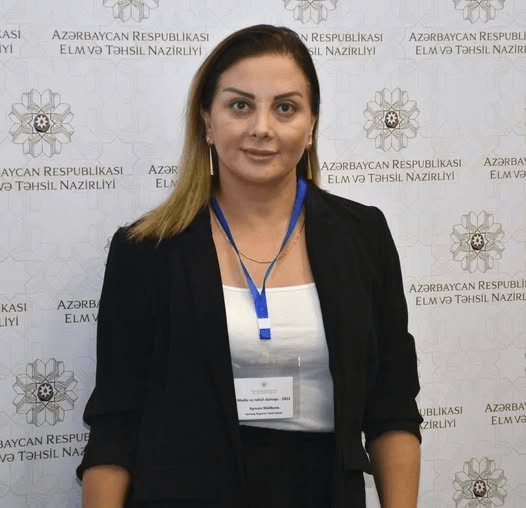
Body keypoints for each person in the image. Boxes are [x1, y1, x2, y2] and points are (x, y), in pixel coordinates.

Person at [78, 24, 422, 508]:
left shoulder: (363, 236)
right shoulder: (146, 251)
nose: (262, 127)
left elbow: (392, 408)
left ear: (311, 125)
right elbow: (116, 424)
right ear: (207, 121)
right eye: (240, 105)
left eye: (285, 108)